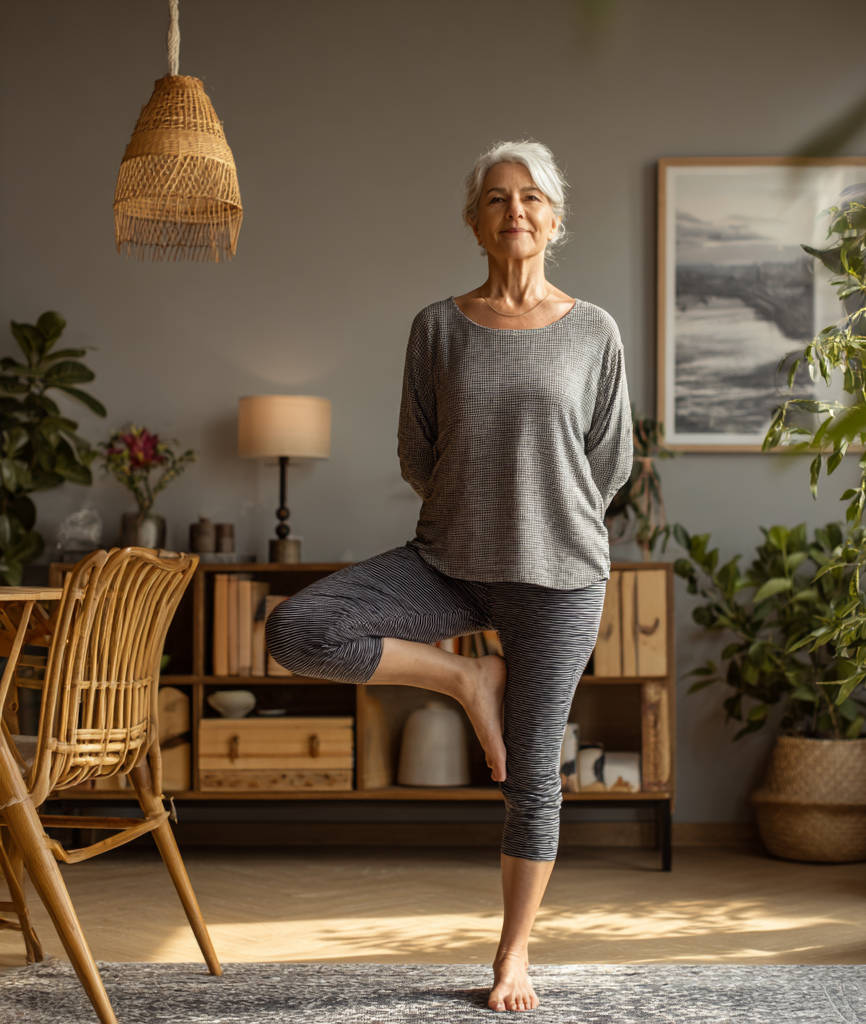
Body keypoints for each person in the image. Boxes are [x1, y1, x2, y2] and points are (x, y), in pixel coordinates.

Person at [266, 139, 632, 1012]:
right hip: (448, 564)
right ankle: (466, 676)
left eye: (533, 197)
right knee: (296, 630)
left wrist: (542, 521)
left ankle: (512, 956)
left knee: (533, 774)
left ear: (556, 218)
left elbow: (609, 464)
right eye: (498, 198)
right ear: (474, 221)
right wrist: (477, 515)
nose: (516, 210)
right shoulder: (437, 326)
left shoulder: (595, 331)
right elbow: (417, 451)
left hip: (560, 579)